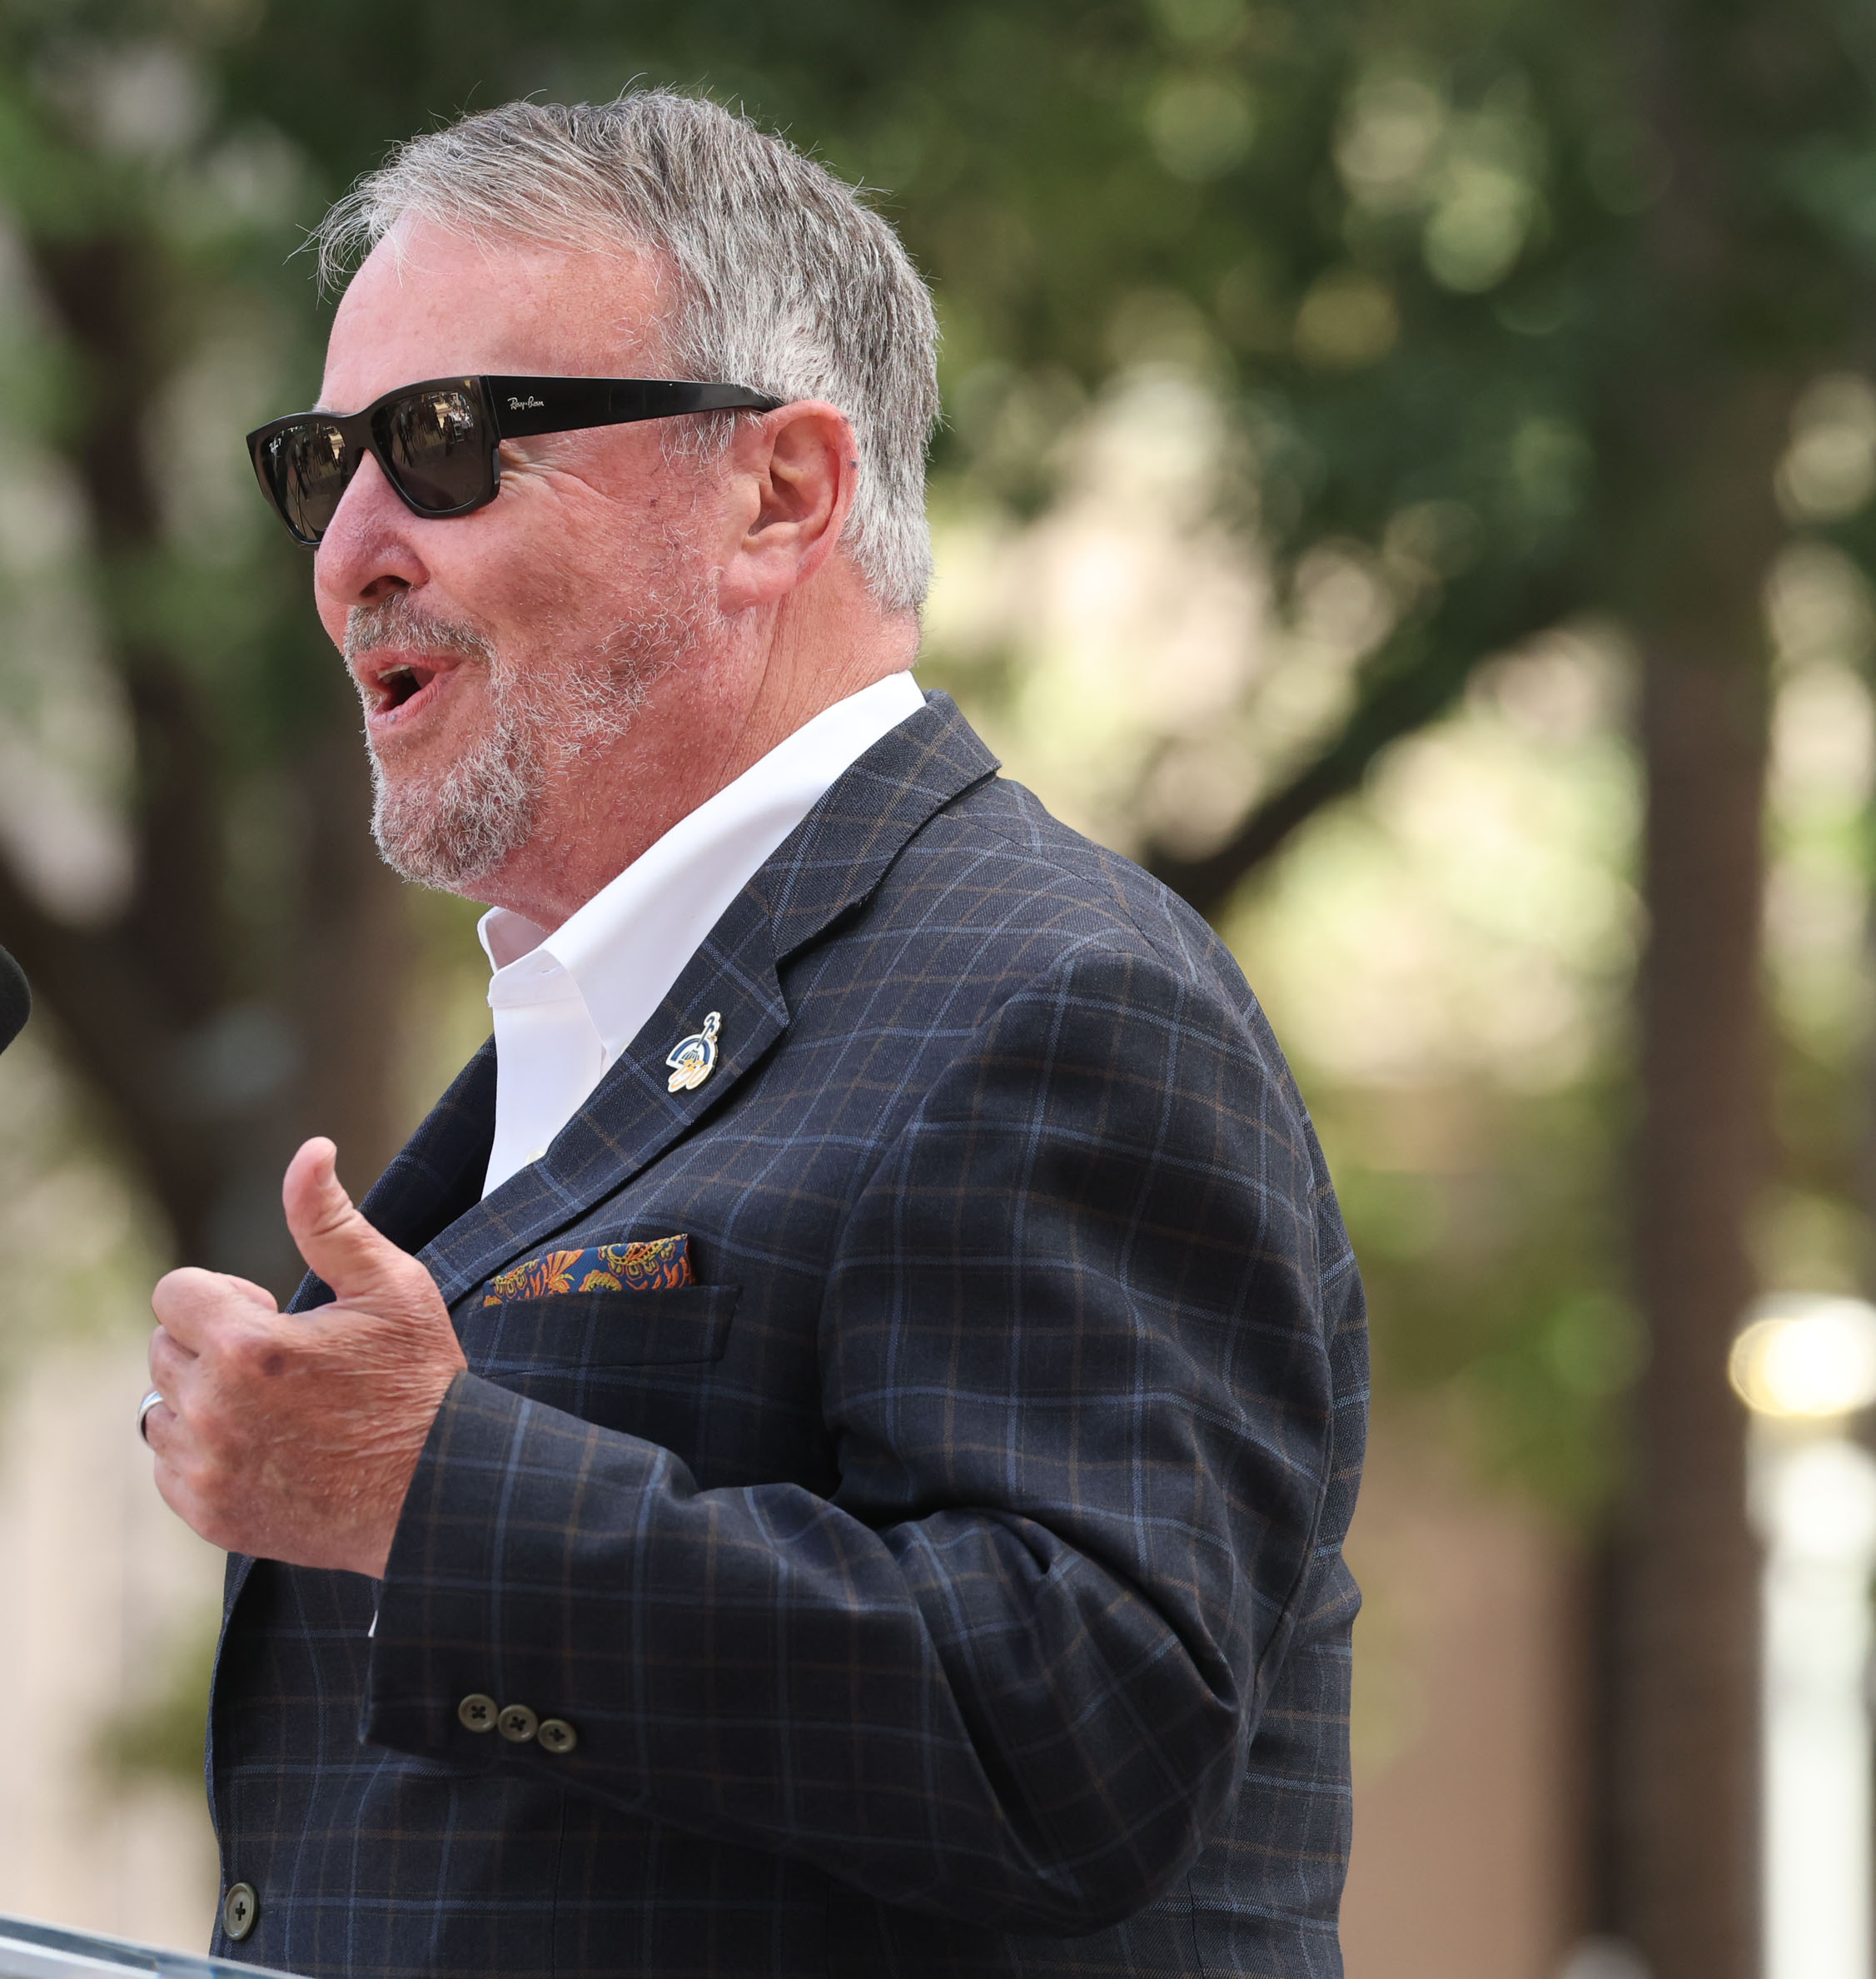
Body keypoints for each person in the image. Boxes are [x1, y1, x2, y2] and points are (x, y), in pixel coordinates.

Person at [139, 92, 1367, 1977]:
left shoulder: (1052, 993)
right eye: (322, 465)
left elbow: (1088, 1734)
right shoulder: (581, 1035)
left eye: (444, 444)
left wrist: (432, 1492)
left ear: (778, 494)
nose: (350, 547)